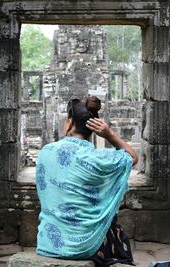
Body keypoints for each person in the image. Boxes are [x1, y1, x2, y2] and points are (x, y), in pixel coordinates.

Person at [35, 96, 138, 266]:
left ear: (69, 123)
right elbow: (132, 157)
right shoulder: (98, 158)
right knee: (112, 227)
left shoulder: (46, 152)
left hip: (48, 243)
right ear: (94, 130)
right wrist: (110, 134)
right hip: (85, 246)